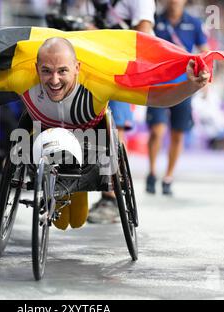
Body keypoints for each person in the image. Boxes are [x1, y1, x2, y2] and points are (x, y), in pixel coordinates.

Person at [0, 27, 224, 230]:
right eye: (46, 71)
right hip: (45, 138)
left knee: (74, 219)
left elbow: (158, 99)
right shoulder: (21, 76)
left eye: (62, 71)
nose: (54, 80)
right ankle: (55, 191)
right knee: (60, 221)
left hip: (91, 140)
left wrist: (191, 86)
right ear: (37, 68)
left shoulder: (101, 81)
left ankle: (73, 191)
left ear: (76, 67)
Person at [81, 0, 157, 224]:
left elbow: (142, 40)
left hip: (121, 70)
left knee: (113, 132)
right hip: (91, 64)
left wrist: (101, 36)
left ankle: (111, 197)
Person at [145, 0, 209, 196]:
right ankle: (152, 172)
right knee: (157, 130)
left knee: (178, 133)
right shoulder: (154, 20)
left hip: (184, 86)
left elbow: (205, 50)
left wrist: (206, 76)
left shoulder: (195, 23)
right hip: (157, 83)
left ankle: (168, 177)